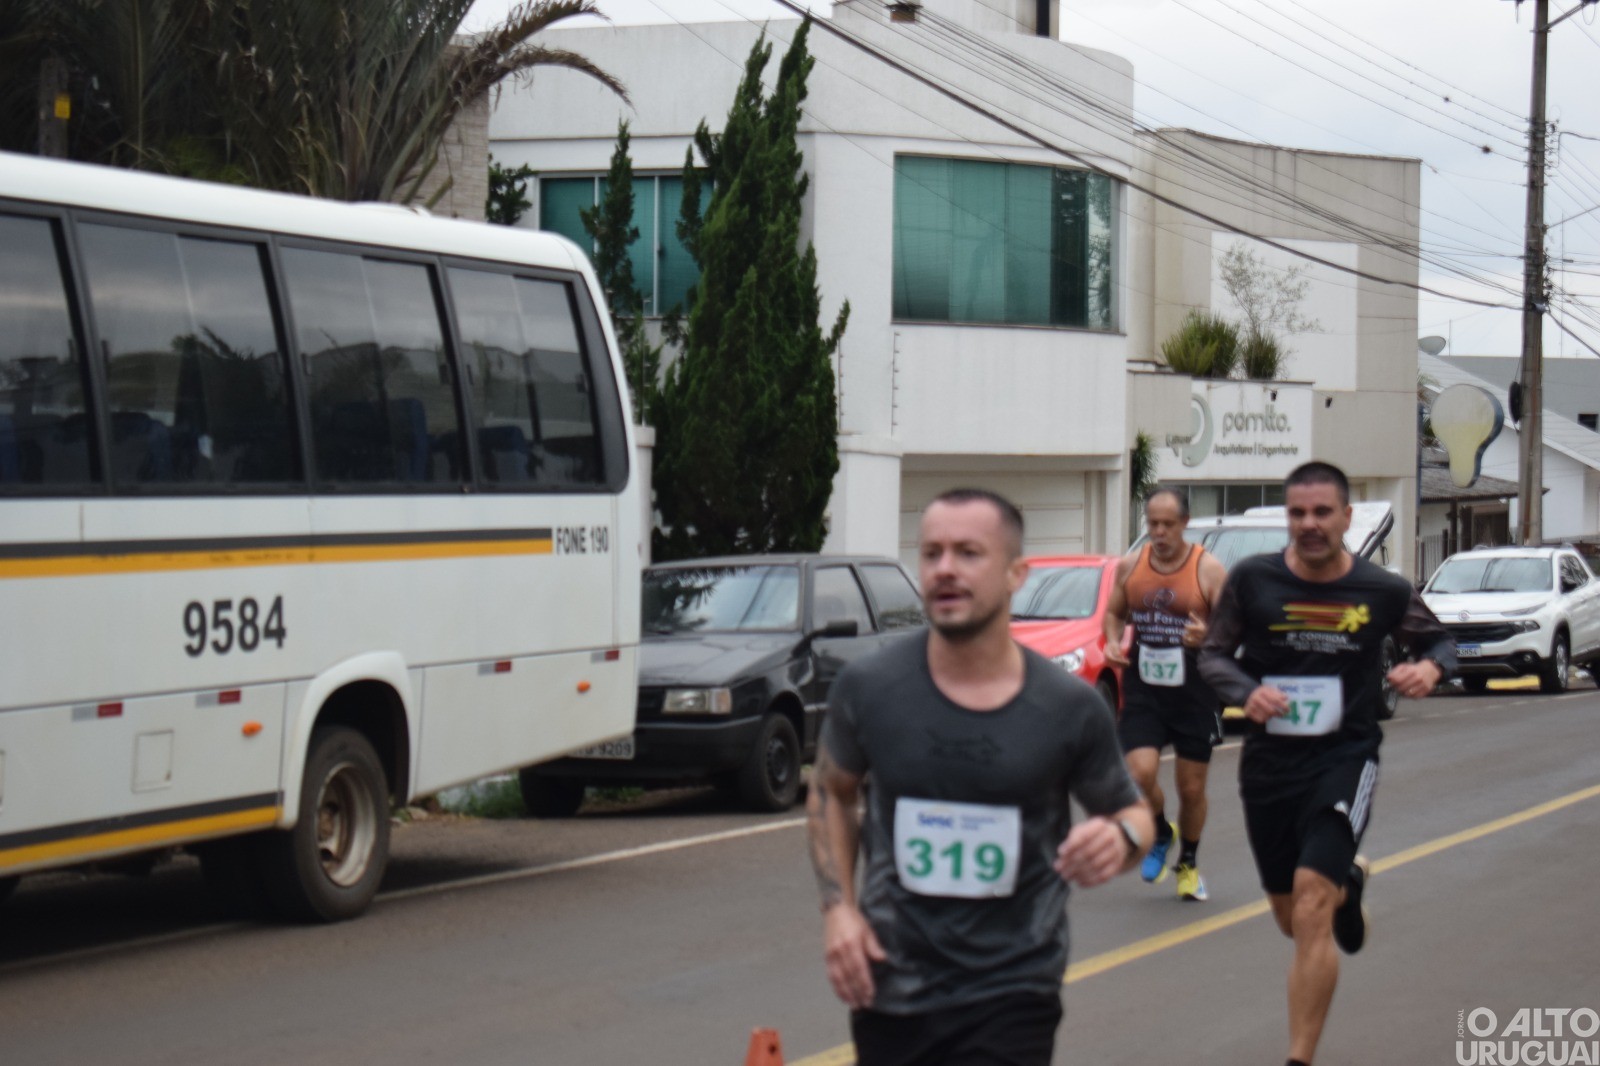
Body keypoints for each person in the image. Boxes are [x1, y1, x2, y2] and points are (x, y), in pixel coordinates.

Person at [806, 487, 1153, 1066]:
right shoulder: (869, 689)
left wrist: (1121, 839)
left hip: (1013, 988)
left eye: (969, 553)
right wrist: (839, 910)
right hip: (891, 985)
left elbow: (1133, 813)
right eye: (932, 553)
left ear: (1016, 573)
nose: (945, 569)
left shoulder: (1066, 706)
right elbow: (831, 794)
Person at [1198, 462, 1455, 1066]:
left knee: (1312, 903)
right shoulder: (1253, 580)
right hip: (1268, 764)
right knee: (1293, 919)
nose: (1309, 524)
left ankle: (1299, 1058)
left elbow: (1439, 641)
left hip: (1344, 756)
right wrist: (1244, 691)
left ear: (1346, 516)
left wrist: (1430, 668)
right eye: (1297, 513)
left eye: (1322, 512)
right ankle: (1350, 885)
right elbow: (1213, 656)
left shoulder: (1383, 590)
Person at [1102, 486, 1227, 901]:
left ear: (1185, 524)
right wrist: (1112, 641)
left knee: (1191, 788)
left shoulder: (1207, 569)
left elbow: (1235, 632)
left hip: (1195, 690)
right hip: (1145, 685)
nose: (1158, 532)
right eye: (1152, 524)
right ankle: (1160, 829)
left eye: (1167, 525)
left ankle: (1188, 863)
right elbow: (1115, 613)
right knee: (1138, 772)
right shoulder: (1131, 565)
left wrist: (1208, 635)